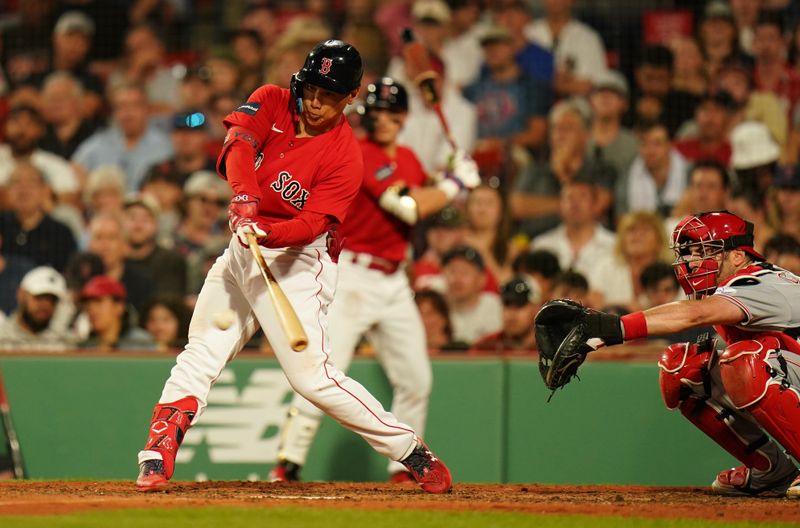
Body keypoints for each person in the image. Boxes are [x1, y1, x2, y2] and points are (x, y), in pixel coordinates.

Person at [134, 40, 452, 495]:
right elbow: (237, 144)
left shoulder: (346, 155)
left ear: (351, 97)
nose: (317, 101)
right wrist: (245, 198)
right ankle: (157, 452)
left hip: (301, 261)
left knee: (312, 379)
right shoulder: (272, 99)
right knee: (202, 350)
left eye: (330, 94)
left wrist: (266, 231)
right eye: (313, 88)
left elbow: (311, 225)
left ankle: (410, 451)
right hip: (246, 244)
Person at [270, 77, 478, 483]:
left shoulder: (410, 158)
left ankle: (404, 465)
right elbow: (405, 208)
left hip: (394, 281)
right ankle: (287, 463)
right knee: (322, 373)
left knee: (416, 378)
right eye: (374, 112)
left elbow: (421, 196)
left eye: (388, 113)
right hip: (353, 276)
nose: (379, 119)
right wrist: (456, 185)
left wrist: (448, 176)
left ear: (402, 117)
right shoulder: (360, 152)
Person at [538, 210, 800, 497]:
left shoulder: (761, 280)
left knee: (747, 360)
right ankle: (771, 470)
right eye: (689, 253)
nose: (692, 261)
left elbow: (694, 315)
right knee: (685, 368)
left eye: (705, 251)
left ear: (738, 256)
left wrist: (610, 327)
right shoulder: (726, 289)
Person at [0, 163, 77, 272]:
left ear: (45, 190)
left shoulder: (60, 233)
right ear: (7, 190)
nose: (23, 189)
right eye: (16, 182)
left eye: (31, 182)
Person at [617, 120, 689, 218]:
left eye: (657, 144)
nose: (650, 151)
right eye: (644, 144)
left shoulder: (688, 173)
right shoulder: (628, 175)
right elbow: (621, 219)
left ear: (669, 145)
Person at [123, 194, 187, 299]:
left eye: (145, 219)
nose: (138, 225)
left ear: (156, 225)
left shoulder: (171, 261)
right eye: (132, 217)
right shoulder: (114, 261)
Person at [0, 266, 74, 351]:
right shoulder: (2, 337)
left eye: (52, 300)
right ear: (21, 295)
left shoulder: (66, 343)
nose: (46, 305)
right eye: (39, 297)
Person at [441, 245, 503, 345]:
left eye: (465, 272)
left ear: (482, 279)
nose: (457, 279)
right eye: (452, 272)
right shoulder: (436, 311)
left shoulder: (496, 307)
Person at [79, 275, 155, 351]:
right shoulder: (86, 346)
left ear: (119, 306)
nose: (92, 310)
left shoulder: (139, 342)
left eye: (98, 301)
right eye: (88, 304)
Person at [471, 276, 541, 355]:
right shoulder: (484, 348)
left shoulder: (551, 350)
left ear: (536, 308)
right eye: (507, 305)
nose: (511, 314)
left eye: (520, 305)